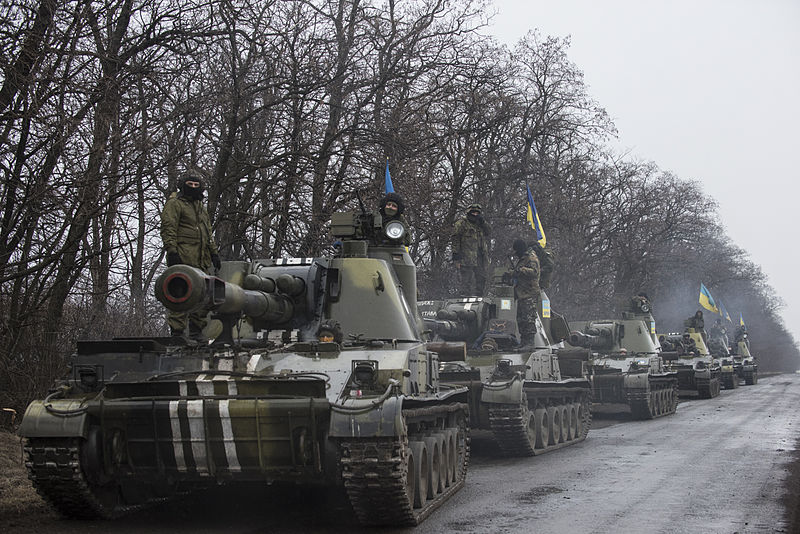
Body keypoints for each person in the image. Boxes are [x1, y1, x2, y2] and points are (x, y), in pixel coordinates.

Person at [160, 171, 221, 343]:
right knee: (181, 293)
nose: (193, 188)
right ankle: (178, 332)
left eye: (196, 185)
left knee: (203, 294)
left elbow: (208, 233)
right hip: (183, 256)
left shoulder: (200, 208)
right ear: (182, 185)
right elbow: (168, 227)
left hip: (201, 257)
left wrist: (214, 252)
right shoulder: (175, 204)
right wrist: (172, 251)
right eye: (190, 185)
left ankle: (196, 331)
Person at [451, 203, 491, 296]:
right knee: (466, 281)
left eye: (477, 213)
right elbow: (455, 239)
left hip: (480, 257)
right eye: (473, 212)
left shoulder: (480, 224)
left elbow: (488, 231)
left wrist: (483, 222)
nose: (475, 215)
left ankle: (479, 298)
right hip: (466, 257)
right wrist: (456, 254)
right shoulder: (461, 223)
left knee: (481, 279)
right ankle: (465, 300)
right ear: (469, 212)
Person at [512, 239, 540, 346]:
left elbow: (534, 272)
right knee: (521, 319)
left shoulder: (531, 257)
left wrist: (522, 270)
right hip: (522, 294)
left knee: (528, 319)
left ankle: (529, 343)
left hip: (530, 293)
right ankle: (524, 342)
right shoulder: (523, 258)